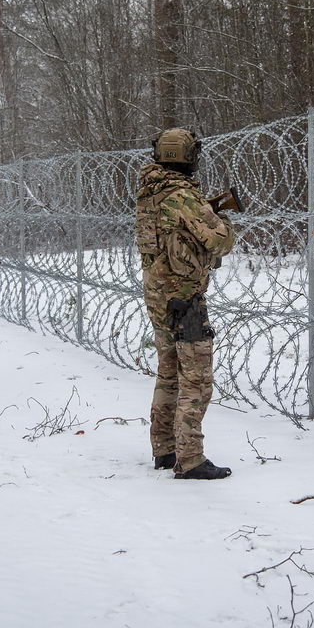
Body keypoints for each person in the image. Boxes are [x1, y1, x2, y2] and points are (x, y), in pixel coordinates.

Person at [135, 128, 235, 480]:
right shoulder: (181, 195)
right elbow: (220, 241)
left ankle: (164, 449)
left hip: (158, 293)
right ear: (190, 156)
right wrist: (221, 217)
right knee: (196, 379)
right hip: (185, 297)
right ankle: (190, 459)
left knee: (168, 373)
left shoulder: (150, 192)